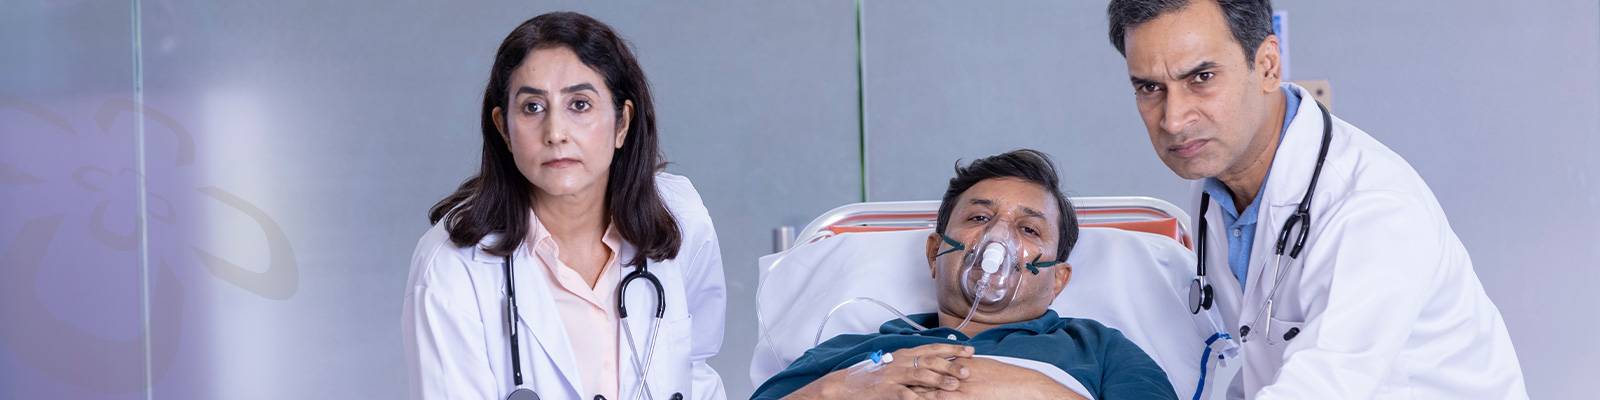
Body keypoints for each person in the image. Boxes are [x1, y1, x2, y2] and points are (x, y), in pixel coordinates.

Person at [1105, 0, 1527, 397]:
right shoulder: (1217, 185)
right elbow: (1263, 359)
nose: (1174, 119)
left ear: (1267, 66)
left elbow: (1322, 385)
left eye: (1202, 78)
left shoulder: (1373, 208)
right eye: (1150, 87)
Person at [402, 12, 727, 400]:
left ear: (622, 123)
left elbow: (696, 368)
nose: (555, 133)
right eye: (532, 107)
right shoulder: (450, 265)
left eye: (580, 104)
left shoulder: (680, 216)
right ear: (504, 128)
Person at [751, 149, 1174, 400]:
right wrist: (839, 390)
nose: (998, 237)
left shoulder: (1099, 351)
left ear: (1058, 280)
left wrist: (1036, 391)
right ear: (935, 252)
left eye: (1029, 229)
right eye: (979, 217)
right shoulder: (850, 353)